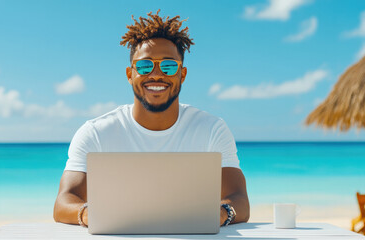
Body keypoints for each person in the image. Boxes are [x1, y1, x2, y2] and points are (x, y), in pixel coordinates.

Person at [53, 10, 250, 228]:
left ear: (182, 74)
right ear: (130, 74)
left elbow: (239, 198)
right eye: (145, 66)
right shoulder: (95, 133)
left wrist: (220, 213)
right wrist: (91, 214)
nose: (156, 74)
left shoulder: (212, 129)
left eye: (168, 66)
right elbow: (63, 202)